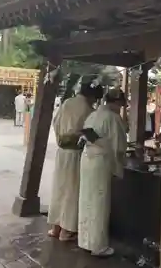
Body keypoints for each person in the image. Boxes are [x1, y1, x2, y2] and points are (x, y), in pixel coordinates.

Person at [48, 83, 104, 242]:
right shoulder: (88, 110)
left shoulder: (67, 103)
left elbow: (55, 121)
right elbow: (91, 134)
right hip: (76, 154)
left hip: (62, 152)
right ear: (92, 96)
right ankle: (67, 230)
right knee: (72, 192)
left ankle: (55, 227)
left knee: (59, 188)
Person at [78, 88, 128, 257]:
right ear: (117, 102)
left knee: (86, 199)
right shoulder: (113, 118)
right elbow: (119, 146)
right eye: (121, 104)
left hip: (86, 158)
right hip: (100, 162)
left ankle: (85, 240)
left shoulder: (93, 115)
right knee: (99, 203)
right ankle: (98, 245)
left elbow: (86, 134)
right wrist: (122, 162)